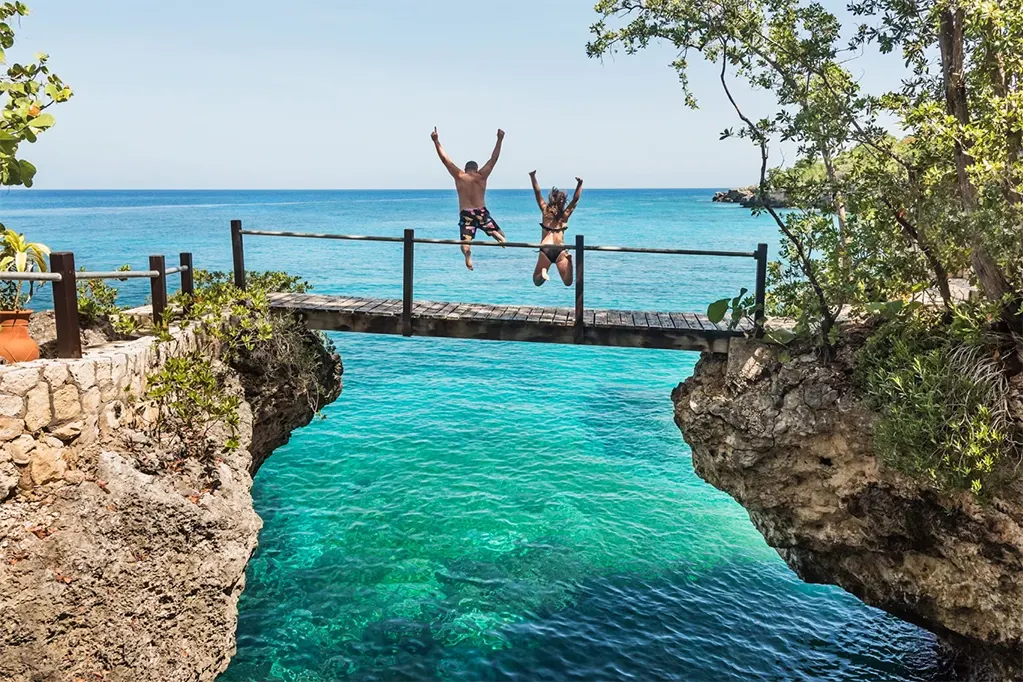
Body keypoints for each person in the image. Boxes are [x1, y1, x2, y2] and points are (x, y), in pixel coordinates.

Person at [431, 127, 507, 270]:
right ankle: (495, 233)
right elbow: (493, 159)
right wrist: (499, 139)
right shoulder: (481, 176)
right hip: (481, 212)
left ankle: (468, 255)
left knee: (465, 243)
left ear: (465, 169)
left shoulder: (459, 176)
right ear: (476, 169)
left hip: (466, 214)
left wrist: (436, 141)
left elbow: (445, 160)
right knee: (502, 235)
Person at [529, 171, 582, 286]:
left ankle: (544, 271)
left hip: (545, 247)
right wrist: (580, 184)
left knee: (537, 281)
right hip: (560, 249)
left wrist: (532, 177)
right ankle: (570, 261)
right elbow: (575, 200)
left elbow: (537, 193)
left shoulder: (545, 211)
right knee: (568, 282)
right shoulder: (565, 215)